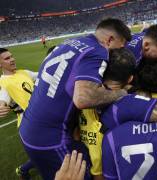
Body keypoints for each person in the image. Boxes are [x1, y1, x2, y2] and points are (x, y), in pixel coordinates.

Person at [19, 18, 132, 180]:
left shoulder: (72, 41)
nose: (119, 52)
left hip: (29, 128)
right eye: (120, 47)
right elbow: (83, 98)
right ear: (109, 40)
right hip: (51, 138)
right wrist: (121, 93)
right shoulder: (98, 50)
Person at [79, 48, 157, 179]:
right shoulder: (127, 104)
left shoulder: (84, 99)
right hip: (109, 172)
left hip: (89, 170)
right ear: (130, 79)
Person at [0, 48, 37, 180]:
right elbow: (3, 97)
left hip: (42, 117)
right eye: (7, 58)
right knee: (43, 155)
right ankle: (22, 170)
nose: (12, 59)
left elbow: (40, 75)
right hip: (28, 124)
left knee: (43, 154)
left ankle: (23, 169)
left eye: (11, 56)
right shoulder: (3, 82)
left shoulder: (23, 72)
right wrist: (1, 105)